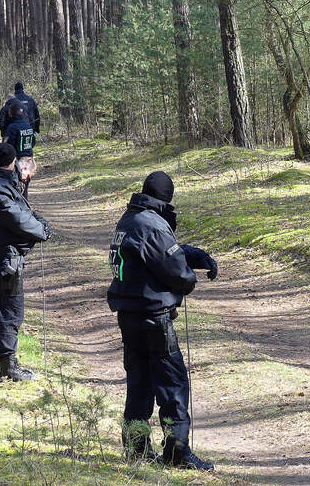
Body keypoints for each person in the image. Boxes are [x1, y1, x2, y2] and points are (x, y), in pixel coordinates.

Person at [107, 171, 218, 471]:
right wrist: (189, 276)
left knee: (139, 384)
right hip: (154, 318)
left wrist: (193, 254)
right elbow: (175, 272)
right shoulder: (153, 225)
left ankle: (136, 449)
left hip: (129, 316)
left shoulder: (129, 220)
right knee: (173, 385)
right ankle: (177, 453)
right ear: (166, 197)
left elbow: (150, 256)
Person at [0, 143, 51, 381]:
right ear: (9, 163)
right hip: (6, 256)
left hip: (8, 254)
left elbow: (24, 211)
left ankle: (7, 360)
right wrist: (41, 230)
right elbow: (17, 219)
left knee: (7, 309)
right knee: (11, 311)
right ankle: (8, 365)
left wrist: (40, 223)